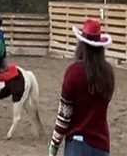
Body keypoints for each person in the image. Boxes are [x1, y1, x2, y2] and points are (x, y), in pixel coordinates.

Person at [49, 19, 115, 156]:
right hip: (102, 145)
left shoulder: (73, 72)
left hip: (78, 144)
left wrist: (54, 144)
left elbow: (64, 115)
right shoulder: (108, 74)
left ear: (81, 45)